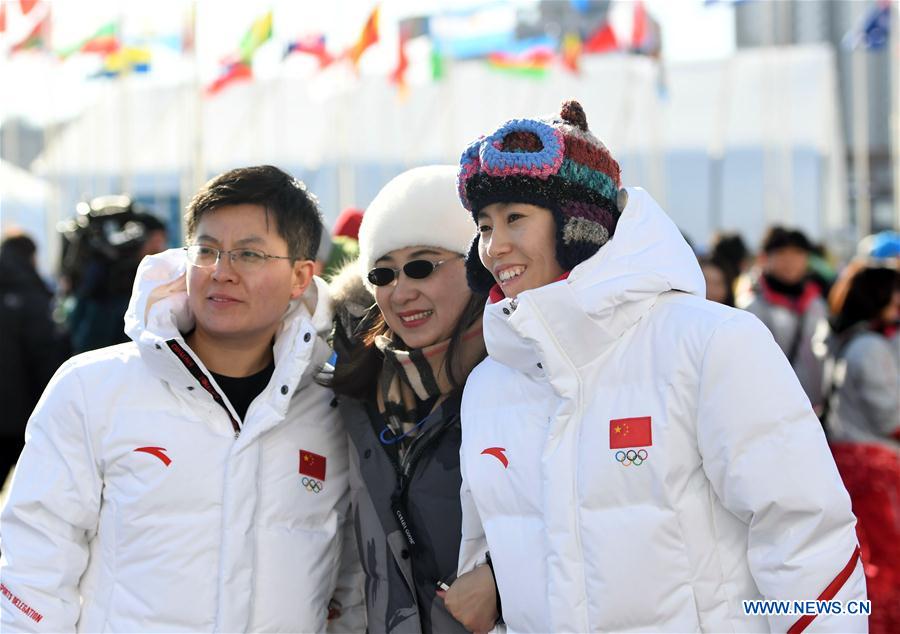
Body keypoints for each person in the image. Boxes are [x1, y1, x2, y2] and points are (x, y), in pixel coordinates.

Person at [444, 100, 866, 632]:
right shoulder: (490, 383)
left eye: (515, 218)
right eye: (483, 226)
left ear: (581, 225)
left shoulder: (709, 343)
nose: (494, 245)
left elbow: (808, 538)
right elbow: (487, 561)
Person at [0, 166, 363, 632]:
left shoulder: (332, 406)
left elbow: (349, 581)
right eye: (207, 251)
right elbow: (34, 565)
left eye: (248, 254)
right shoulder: (94, 389)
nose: (221, 272)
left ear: (300, 276)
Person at [327, 166, 488, 633]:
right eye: (383, 273)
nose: (401, 291)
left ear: (476, 264)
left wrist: (498, 581)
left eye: (422, 265)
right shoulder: (359, 384)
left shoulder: (530, 376)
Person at [815, 263, 900, 633]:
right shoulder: (872, 346)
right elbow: (890, 418)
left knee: (866, 556)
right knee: (886, 558)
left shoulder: (847, 339)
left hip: (848, 459)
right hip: (874, 466)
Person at [0, 233, 68, 484]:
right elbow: (45, 356)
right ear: (31, 257)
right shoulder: (33, 296)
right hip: (23, 416)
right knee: (37, 491)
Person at [736, 226, 828, 412]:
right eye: (782, 254)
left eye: (797, 254)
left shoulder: (816, 302)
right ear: (765, 258)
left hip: (812, 408)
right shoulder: (752, 304)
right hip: (768, 408)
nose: (790, 261)